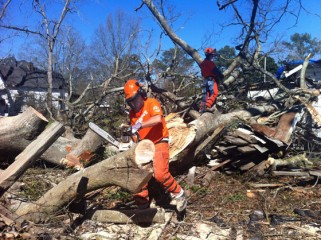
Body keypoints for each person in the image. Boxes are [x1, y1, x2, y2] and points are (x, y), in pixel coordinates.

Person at [123, 79, 187, 212]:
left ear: (141, 94)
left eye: (135, 99)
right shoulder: (132, 114)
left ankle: (179, 193)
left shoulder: (151, 103)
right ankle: (142, 203)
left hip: (159, 141)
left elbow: (158, 119)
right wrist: (130, 140)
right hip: (144, 145)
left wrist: (139, 124)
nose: (134, 103)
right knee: (136, 172)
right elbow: (136, 134)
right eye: (130, 101)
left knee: (160, 174)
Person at [199, 47, 224, 113]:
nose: (212, 56)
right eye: (212, 55)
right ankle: (207, 106)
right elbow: (216, 71)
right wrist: (221, 76)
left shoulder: (202, 64)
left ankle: (201, 108)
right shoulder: (210, 63)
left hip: (205, 80)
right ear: (210, 55)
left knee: (206, 94)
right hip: (211, 80)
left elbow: (202, 73)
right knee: (214, 93)